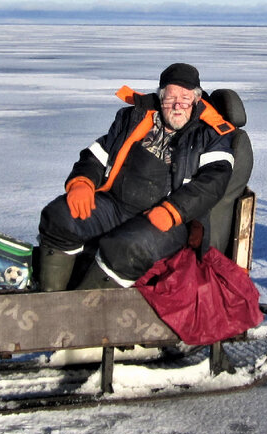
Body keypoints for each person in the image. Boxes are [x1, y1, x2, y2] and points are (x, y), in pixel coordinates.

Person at [37, 63, 237, 291]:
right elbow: (98, 154)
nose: (177, 105)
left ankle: (82, 312)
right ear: (161, 98)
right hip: (115, 205)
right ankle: (49, 299)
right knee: (60, 216)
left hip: (167, 220)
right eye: (170, 98)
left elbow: (213, 181)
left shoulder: (211, 134)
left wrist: (174, 211)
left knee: (125, 249)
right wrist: (82, 181)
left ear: (197, 99)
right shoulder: (135, 118)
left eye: (185, 97)